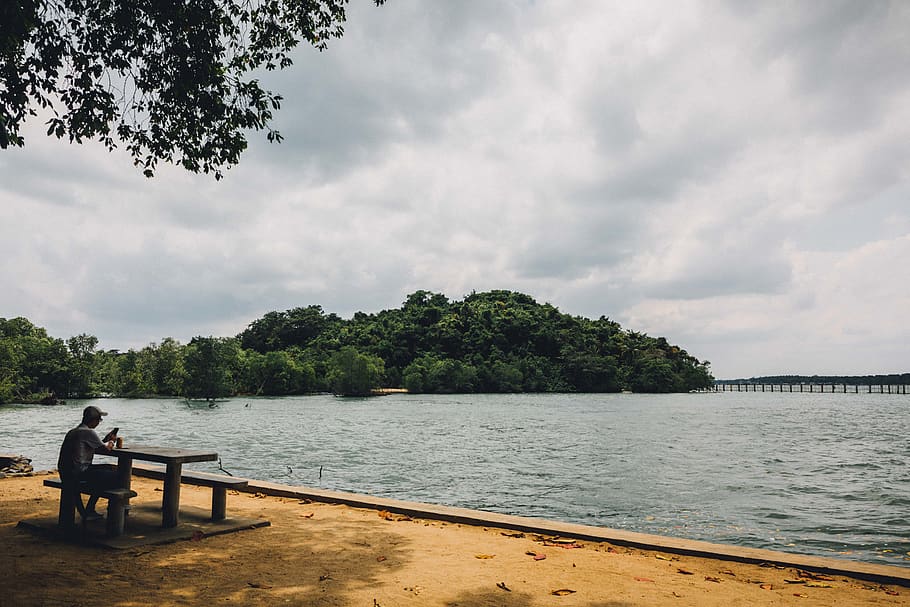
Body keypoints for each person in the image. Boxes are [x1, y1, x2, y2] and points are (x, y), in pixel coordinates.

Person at [57, 405, 119, 520]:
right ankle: (100, 510)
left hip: (66, 473)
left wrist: (105, 440)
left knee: (108, 469)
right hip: (78, 473)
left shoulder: (73, 431)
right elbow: (105, 449)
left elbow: (93, 446)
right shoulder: (88, 432)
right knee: (116, 477)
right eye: (99, 420)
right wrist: (111, 441)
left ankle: (88, 510)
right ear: (94, 420)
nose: (99, 422)